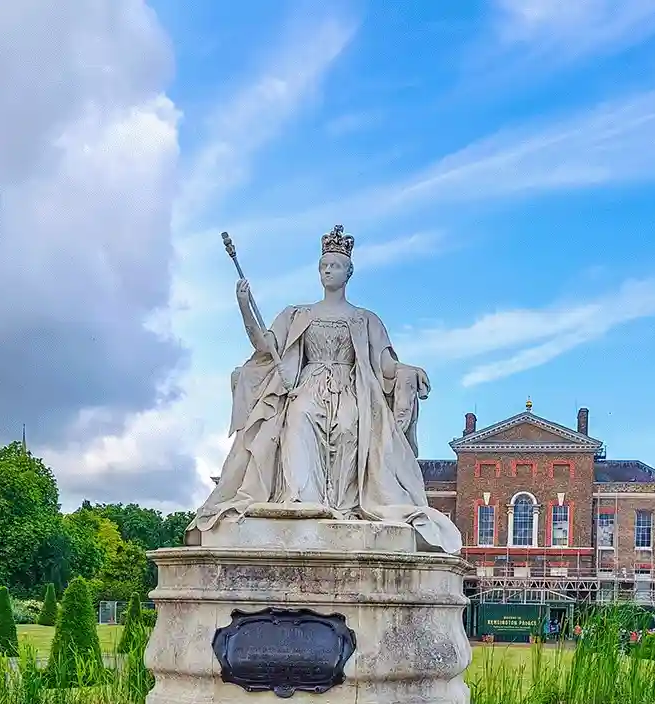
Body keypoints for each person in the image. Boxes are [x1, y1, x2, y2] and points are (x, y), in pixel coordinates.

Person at [195, 224, 461, 553]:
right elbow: (265, 344)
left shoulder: (365, 319)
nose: (327, 271)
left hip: (350, 390)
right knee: (299, 419)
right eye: (323, 266)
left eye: (334, 266)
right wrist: (245, 306)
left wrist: (408, 370)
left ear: (348, 272)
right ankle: (301, 501)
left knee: (351, 428)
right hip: (307, 386)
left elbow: (385, 365)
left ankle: (342, 505)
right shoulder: (298, 314)